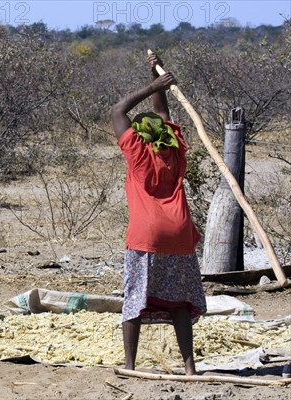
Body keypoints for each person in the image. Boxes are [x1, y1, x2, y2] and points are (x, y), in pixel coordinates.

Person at [110, 54, 207, 375]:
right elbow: (162, 113)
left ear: (140, 136)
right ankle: (190, 368)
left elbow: (117, 110)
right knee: (179, 300)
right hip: (180, 234)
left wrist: (152, 83)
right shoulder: (175, 150)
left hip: (147, 235)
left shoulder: (138, 153)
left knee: (135, 297)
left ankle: (130, 365)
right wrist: (156, 74)